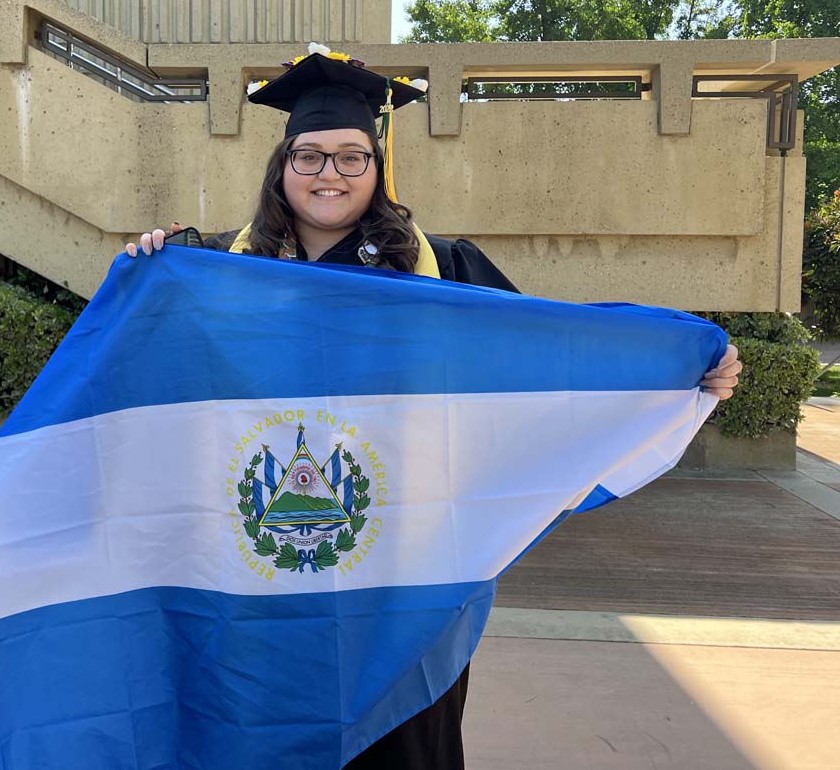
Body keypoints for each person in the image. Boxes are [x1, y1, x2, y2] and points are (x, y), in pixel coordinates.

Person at [124, 45, 743, 769]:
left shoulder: (444, 270)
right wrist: (149, 269)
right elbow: (156, 382)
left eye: (352, 157)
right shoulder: (222, 275)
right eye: (311, 156)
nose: (331, 174)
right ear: (282, 168)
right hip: (268, 565)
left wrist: (677, 371)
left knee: (403, 741)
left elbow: (547, 366)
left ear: (378, 166)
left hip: (408, 569)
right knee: (268, 728)